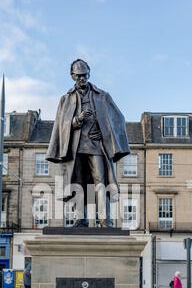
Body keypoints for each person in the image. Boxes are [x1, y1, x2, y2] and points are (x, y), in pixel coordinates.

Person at [46, 59, 130, 228]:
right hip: (76, 147)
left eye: (84, 76)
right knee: (77, 182)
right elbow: (61, 124)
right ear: (72, 76)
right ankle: (80, 218)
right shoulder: (66, 99)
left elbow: (118, 119)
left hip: (96, 146)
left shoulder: (102, 96)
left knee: (100, 181)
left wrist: (104, 132)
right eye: (78, 76)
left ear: (89, 74)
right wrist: (76, 120)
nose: (82, 79)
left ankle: (105, 220)